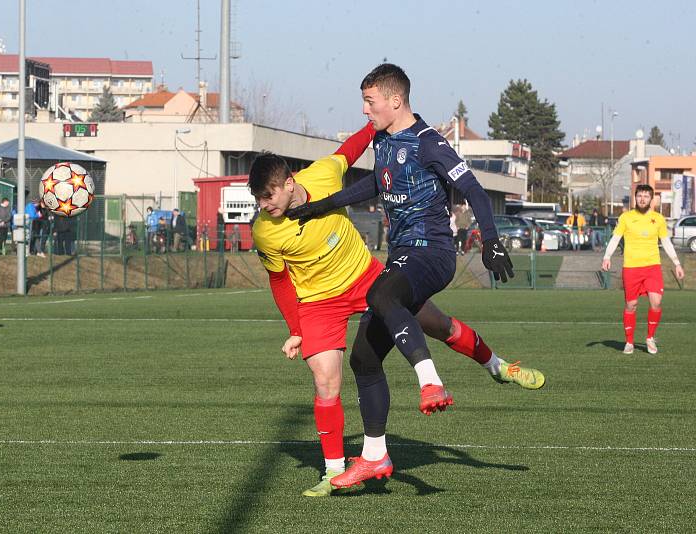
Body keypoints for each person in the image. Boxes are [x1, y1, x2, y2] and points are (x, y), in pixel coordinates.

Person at [252, 122, 540, 497]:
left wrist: (375, 123)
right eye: (259, 200)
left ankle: (498, 366)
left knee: (438, 325)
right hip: (318, 301)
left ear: (289, 182)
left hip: (365, 277)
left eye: (268, 196)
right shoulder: (264, 230)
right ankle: (333, 470)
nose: (264, 206)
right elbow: (279, 281)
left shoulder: (322, 173)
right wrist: (296, 328)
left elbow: (352, 148)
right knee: (327, 381)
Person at [601, 184, 685, 355]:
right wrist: (607, 256)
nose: (642, 199)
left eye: (646, 196)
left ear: (651, 199)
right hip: (631, 268)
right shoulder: (626, 217)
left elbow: (666, 242)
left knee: (657, 302)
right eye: (639, 196)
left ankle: (650, 338)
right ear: (635, 197)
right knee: (631, 305)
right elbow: (616, 238)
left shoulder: (658, 219)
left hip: (652, 267)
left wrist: (676, 263)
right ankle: (629, 342)